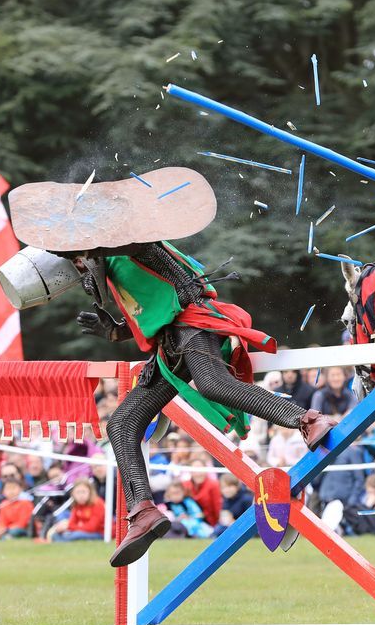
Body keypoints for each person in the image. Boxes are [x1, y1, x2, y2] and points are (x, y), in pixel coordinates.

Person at [67, 241, 337, 566]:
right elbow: (155, 307)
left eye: (78, 260)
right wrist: (117, 333)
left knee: (213, 384)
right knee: (122, 424)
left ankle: (306, 419)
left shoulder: (135, 245)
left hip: (194, 325)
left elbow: (183, 290)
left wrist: (105, 247)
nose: (80, 267)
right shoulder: (114, 264)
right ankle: (142, 511)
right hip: (170, 344)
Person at [181, 458, 222, 526]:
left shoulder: (213, 485)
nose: (198, 473)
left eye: (200, 469)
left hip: (209, 523)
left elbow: (217, 508)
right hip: (189, 521)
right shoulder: (185, 485)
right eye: (195, 470)